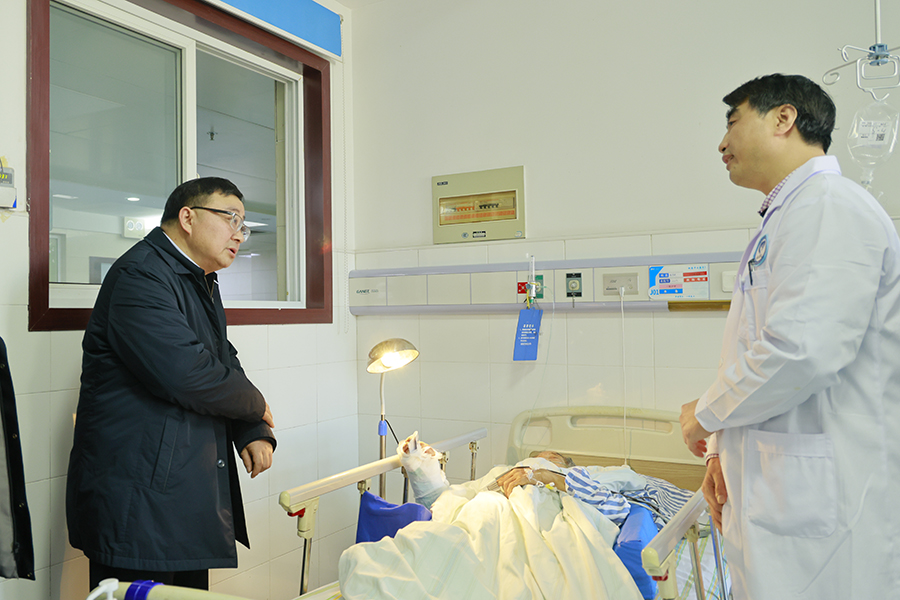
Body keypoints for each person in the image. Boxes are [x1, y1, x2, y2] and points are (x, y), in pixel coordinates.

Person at [679, 74, 900, 599]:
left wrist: (704, 415)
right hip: (783, 493)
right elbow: (753, 348)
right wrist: (719, 451)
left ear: (784, 118)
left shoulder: (829, 206)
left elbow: (802, 352)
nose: (721, 144)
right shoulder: (788, 216)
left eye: (732, 122)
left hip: (825, 509)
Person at [66, 177, 276, 591]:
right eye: (231, 218)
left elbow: (220, 357)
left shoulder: (197, 279)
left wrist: (251, 427)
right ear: (188, 218)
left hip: (180, 498)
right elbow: (187, 374)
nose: (239, 233)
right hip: (139, 502)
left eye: (244, 225)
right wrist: (255, 404)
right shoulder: (140, 275)